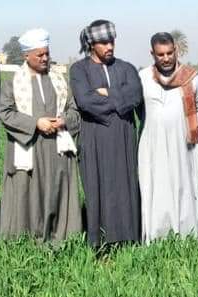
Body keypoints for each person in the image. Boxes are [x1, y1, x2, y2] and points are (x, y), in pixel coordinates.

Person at [0, 29, 82, 242]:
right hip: (29, 147)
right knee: (29, 193)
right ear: (26, 56)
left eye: (47, 53)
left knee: (57, 189)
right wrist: (36, 123)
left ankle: (61, 238)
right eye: (39, 55)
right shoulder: (13, 82)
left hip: (57, 149)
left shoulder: (60, 80)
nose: (45, 58)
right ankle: (26, 241)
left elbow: (74, 110)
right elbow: (6, 113)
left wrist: (63, 120)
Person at [69, 20, 144, 248]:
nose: (109, 46)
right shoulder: (79, 70)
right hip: (94, 136)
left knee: (126, 184)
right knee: (97, 185)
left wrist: (106, 93)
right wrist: (117, 99)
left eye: (111, 41)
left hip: (123, 136)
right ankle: (99, 241)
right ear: (92, 44)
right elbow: (85, 101)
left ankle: (128, 237)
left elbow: (135, 95)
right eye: (103, 42)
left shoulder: (127, 68)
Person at [137, 32, 198, 243]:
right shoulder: (143, 78)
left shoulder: (192, 78)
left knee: (184, 186)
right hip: (153, 145)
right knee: (155, 186)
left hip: (184, 146)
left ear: (176, 51)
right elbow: (140, 110)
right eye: (161, 54)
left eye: (170, 53)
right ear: (153, 54)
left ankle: (187, 235)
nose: (166, 58)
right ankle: (157, 236)